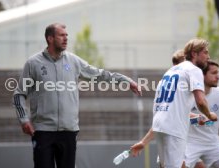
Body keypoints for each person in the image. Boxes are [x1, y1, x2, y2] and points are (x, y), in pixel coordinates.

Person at [13, 23, 141, 168]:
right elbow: (19, 95)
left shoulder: (73, 61)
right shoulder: (33, 63)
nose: (66, 38)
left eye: (67, 35)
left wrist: (126, 80)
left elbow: (99, 75)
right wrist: (24, 119)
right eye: (62, 35)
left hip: (69, 131)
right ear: (50, 38)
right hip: (43, 131)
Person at [151, 38, 217, 168]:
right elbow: (201, 101)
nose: (208, 57)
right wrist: (209, 115)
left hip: (159, 124)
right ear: (194, 53)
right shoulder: (194, 70)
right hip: (174, 128)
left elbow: (171, 105)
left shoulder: (170, 71)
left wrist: (196, 117)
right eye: (205, 52)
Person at [185, 60, 219, 168]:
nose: (218, 77)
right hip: (189, 143)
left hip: (212, 144)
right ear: (202, 76)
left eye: (218, 73)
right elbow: (178, 115)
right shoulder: (187, 94)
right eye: (214, 73)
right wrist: (197, 117)